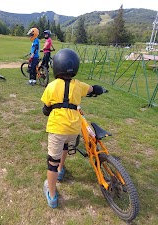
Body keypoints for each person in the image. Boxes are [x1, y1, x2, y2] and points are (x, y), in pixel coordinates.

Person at [40, 48, 107, 208]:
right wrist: (99, 89)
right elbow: (93, 89)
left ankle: (52, 195)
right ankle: (61, 170)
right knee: (65, 146)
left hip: (57, 129)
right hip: (73, 130)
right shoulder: (79, 85)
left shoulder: (51, 86)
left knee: (52, 163)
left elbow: (45, 109)